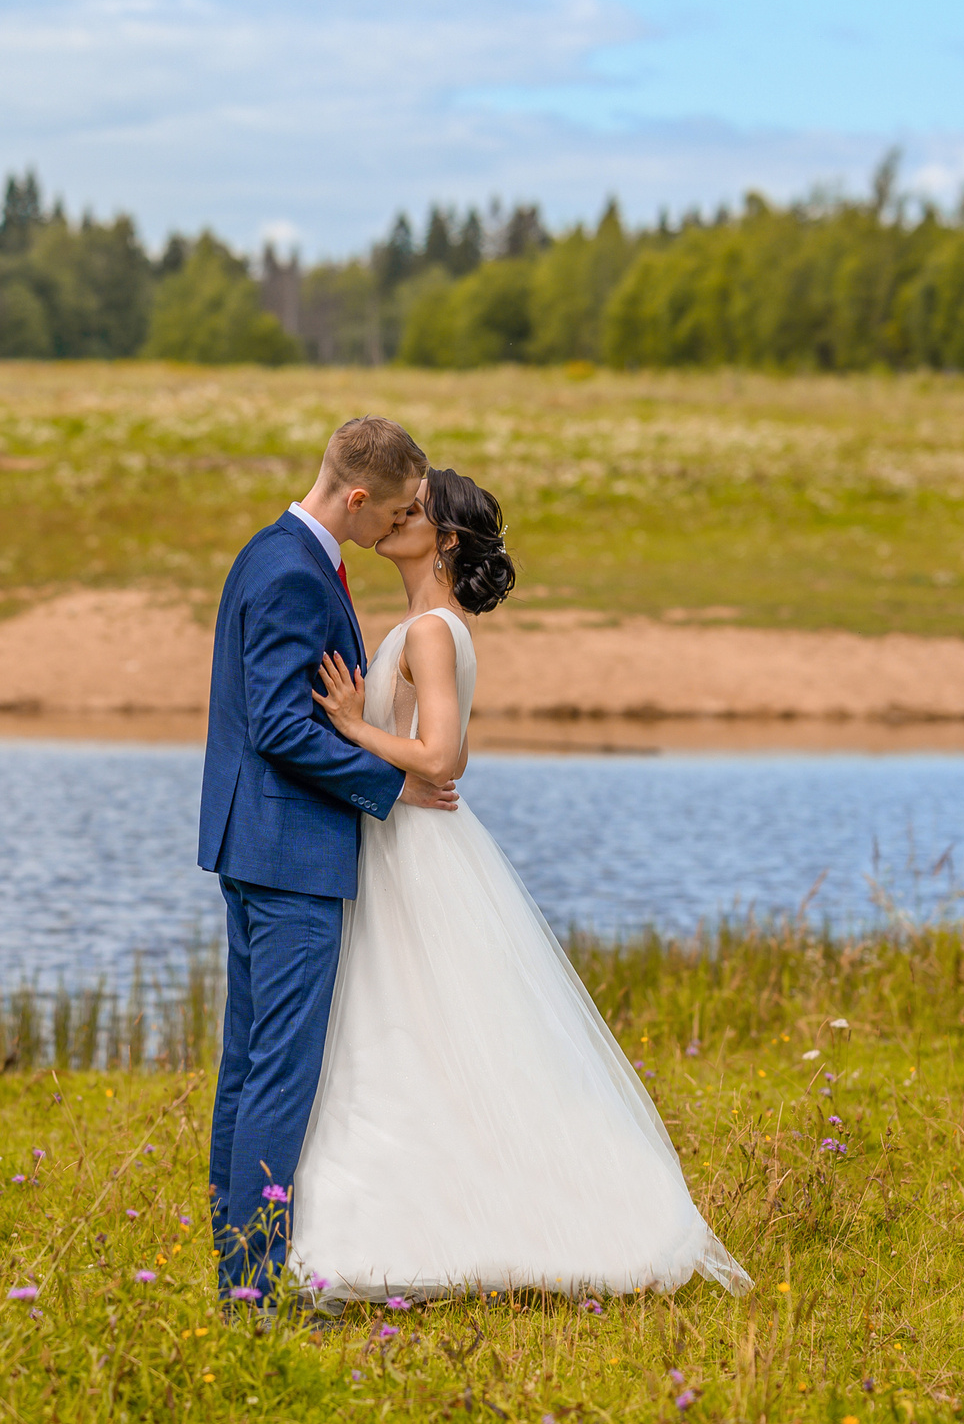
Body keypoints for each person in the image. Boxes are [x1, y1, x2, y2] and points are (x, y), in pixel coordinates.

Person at [289, 466, 752, 1303]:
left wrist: (355, 728)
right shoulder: (423, 625)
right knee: (412, 1032)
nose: (397, 517)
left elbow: (442, 757)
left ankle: (470, 1225)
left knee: (426, 1026)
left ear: (447, 539)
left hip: (419, 851)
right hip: (407, 840)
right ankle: (400, 1219)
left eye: (415, 511)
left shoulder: (431, 630)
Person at [198, 416, 457, 1304]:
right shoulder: (292, 574)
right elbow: (275, 724)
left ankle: (239, 1271)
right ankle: (254, 1286)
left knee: (251, 1062)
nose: (393, 525)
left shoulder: (273, 552)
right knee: (279, 1071)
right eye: (389, 511)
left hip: (261, 845)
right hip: (289, 854)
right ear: (355, 496)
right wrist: (392, 784)